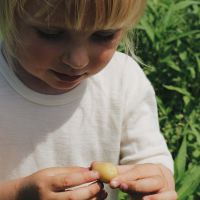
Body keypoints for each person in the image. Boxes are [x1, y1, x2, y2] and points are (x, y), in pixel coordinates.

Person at [0, 0, 177, 200]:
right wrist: (16, 193)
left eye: (104, 35)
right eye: (51, 34)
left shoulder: (123, 79)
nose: (78, 61)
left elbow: (151, 160)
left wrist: (158, 182)